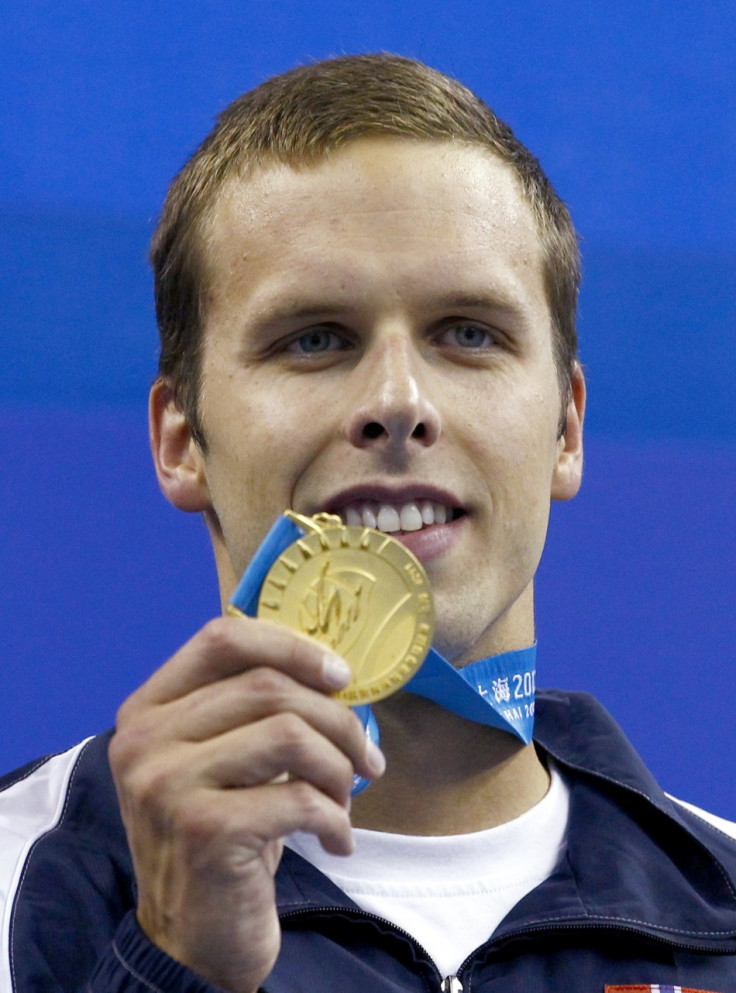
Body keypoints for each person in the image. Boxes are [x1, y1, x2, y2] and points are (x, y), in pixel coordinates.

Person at [2, 53, 735, 993]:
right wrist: (171, 961)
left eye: (469, 332)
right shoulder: (16, 881)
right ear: (182, 440)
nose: (397, 401)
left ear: (565, 429)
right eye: (314, 338)